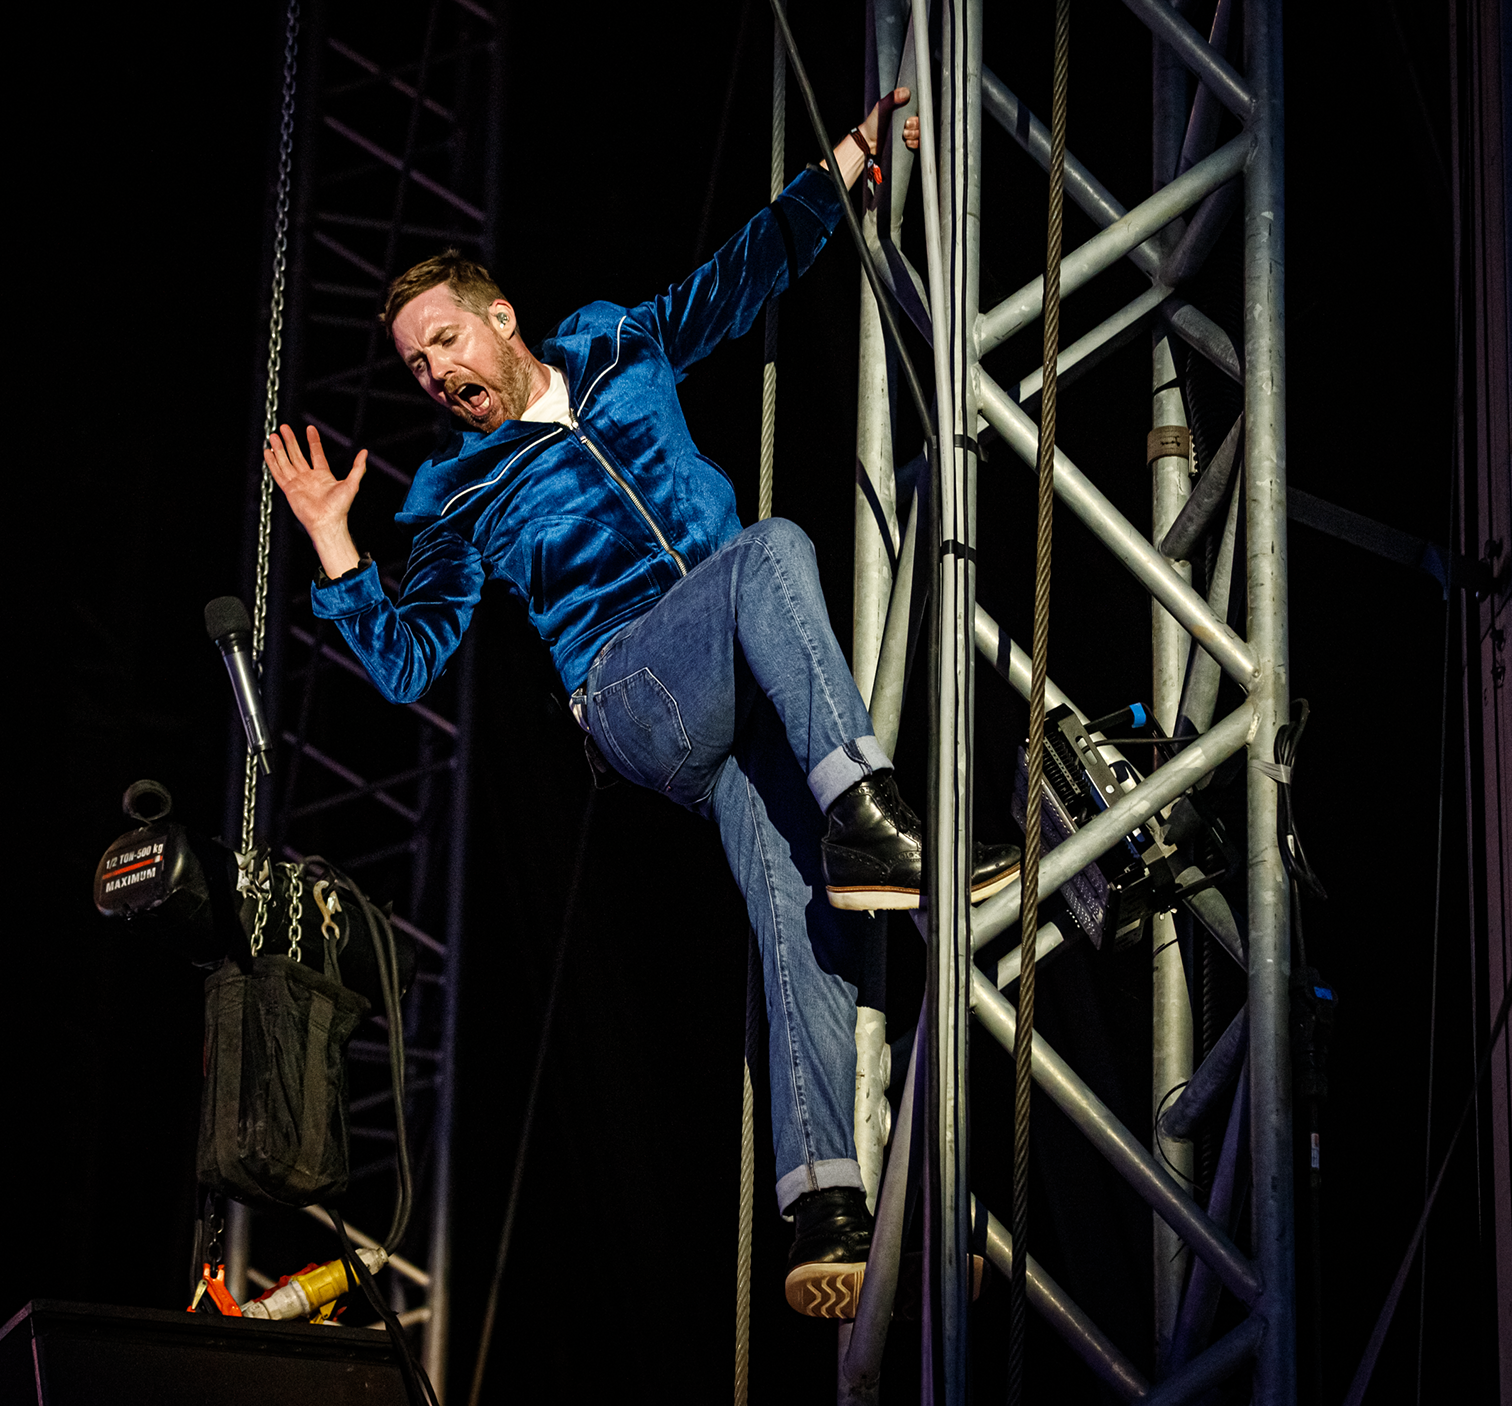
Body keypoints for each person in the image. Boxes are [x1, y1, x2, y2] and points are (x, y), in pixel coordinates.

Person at [263, 87, 1016, 1319]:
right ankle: (873, 810)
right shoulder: (449, 493)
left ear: (504, 320)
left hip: (744, 698)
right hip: (633, 693)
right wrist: (340, 550)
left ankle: (822, 1200)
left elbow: (736, 278)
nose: (436, 373)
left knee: (804, 910)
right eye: (416, 364)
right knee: (772, 548)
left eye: (447, 340)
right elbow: (409, 662)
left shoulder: (616, 340)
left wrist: (845, 166)